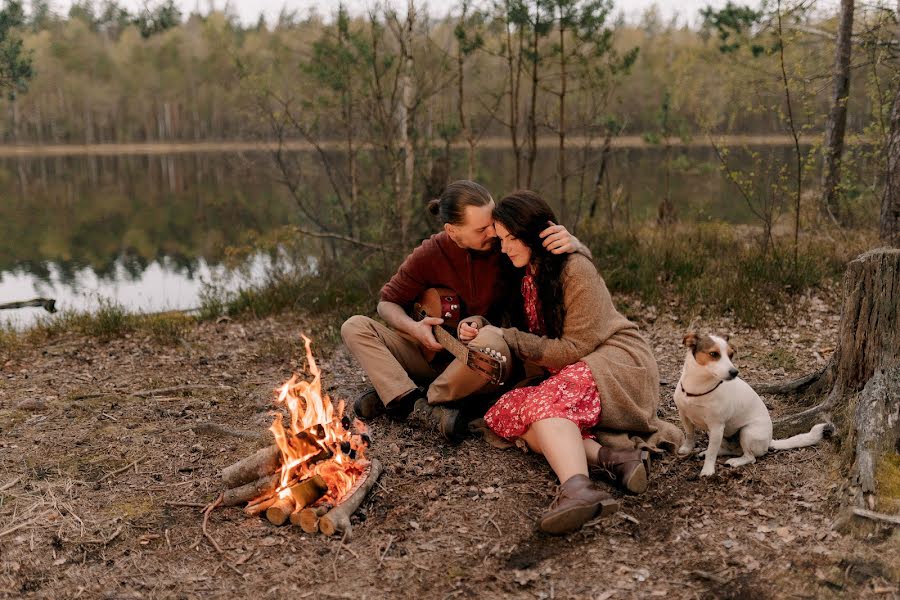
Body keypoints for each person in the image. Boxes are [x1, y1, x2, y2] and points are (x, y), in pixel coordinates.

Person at [460, 190, 684, 534]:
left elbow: (570, 349)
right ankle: (611, 459)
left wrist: (507, 337)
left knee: (541, 405)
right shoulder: (526, 272)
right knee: (502, 412)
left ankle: (577, 489)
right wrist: (480, 324)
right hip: (575, 369)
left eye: (509, 239)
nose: (503, 248)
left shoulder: (574, 267)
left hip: (617, 364)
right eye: (500, 239)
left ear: (532, 235)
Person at [340, 180, 585, 439]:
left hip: (479, 362)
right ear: (452, 231)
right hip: (432, 359)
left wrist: (577, 245)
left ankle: (402, 396)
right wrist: (415, 328)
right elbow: (387, 303)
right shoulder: (431, 252)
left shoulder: (506, 246)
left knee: (495, 349)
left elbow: (557, 262)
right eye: (481, 229)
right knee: (354, 326)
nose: (492, 232)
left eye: (492, 223)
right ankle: (418, 405)